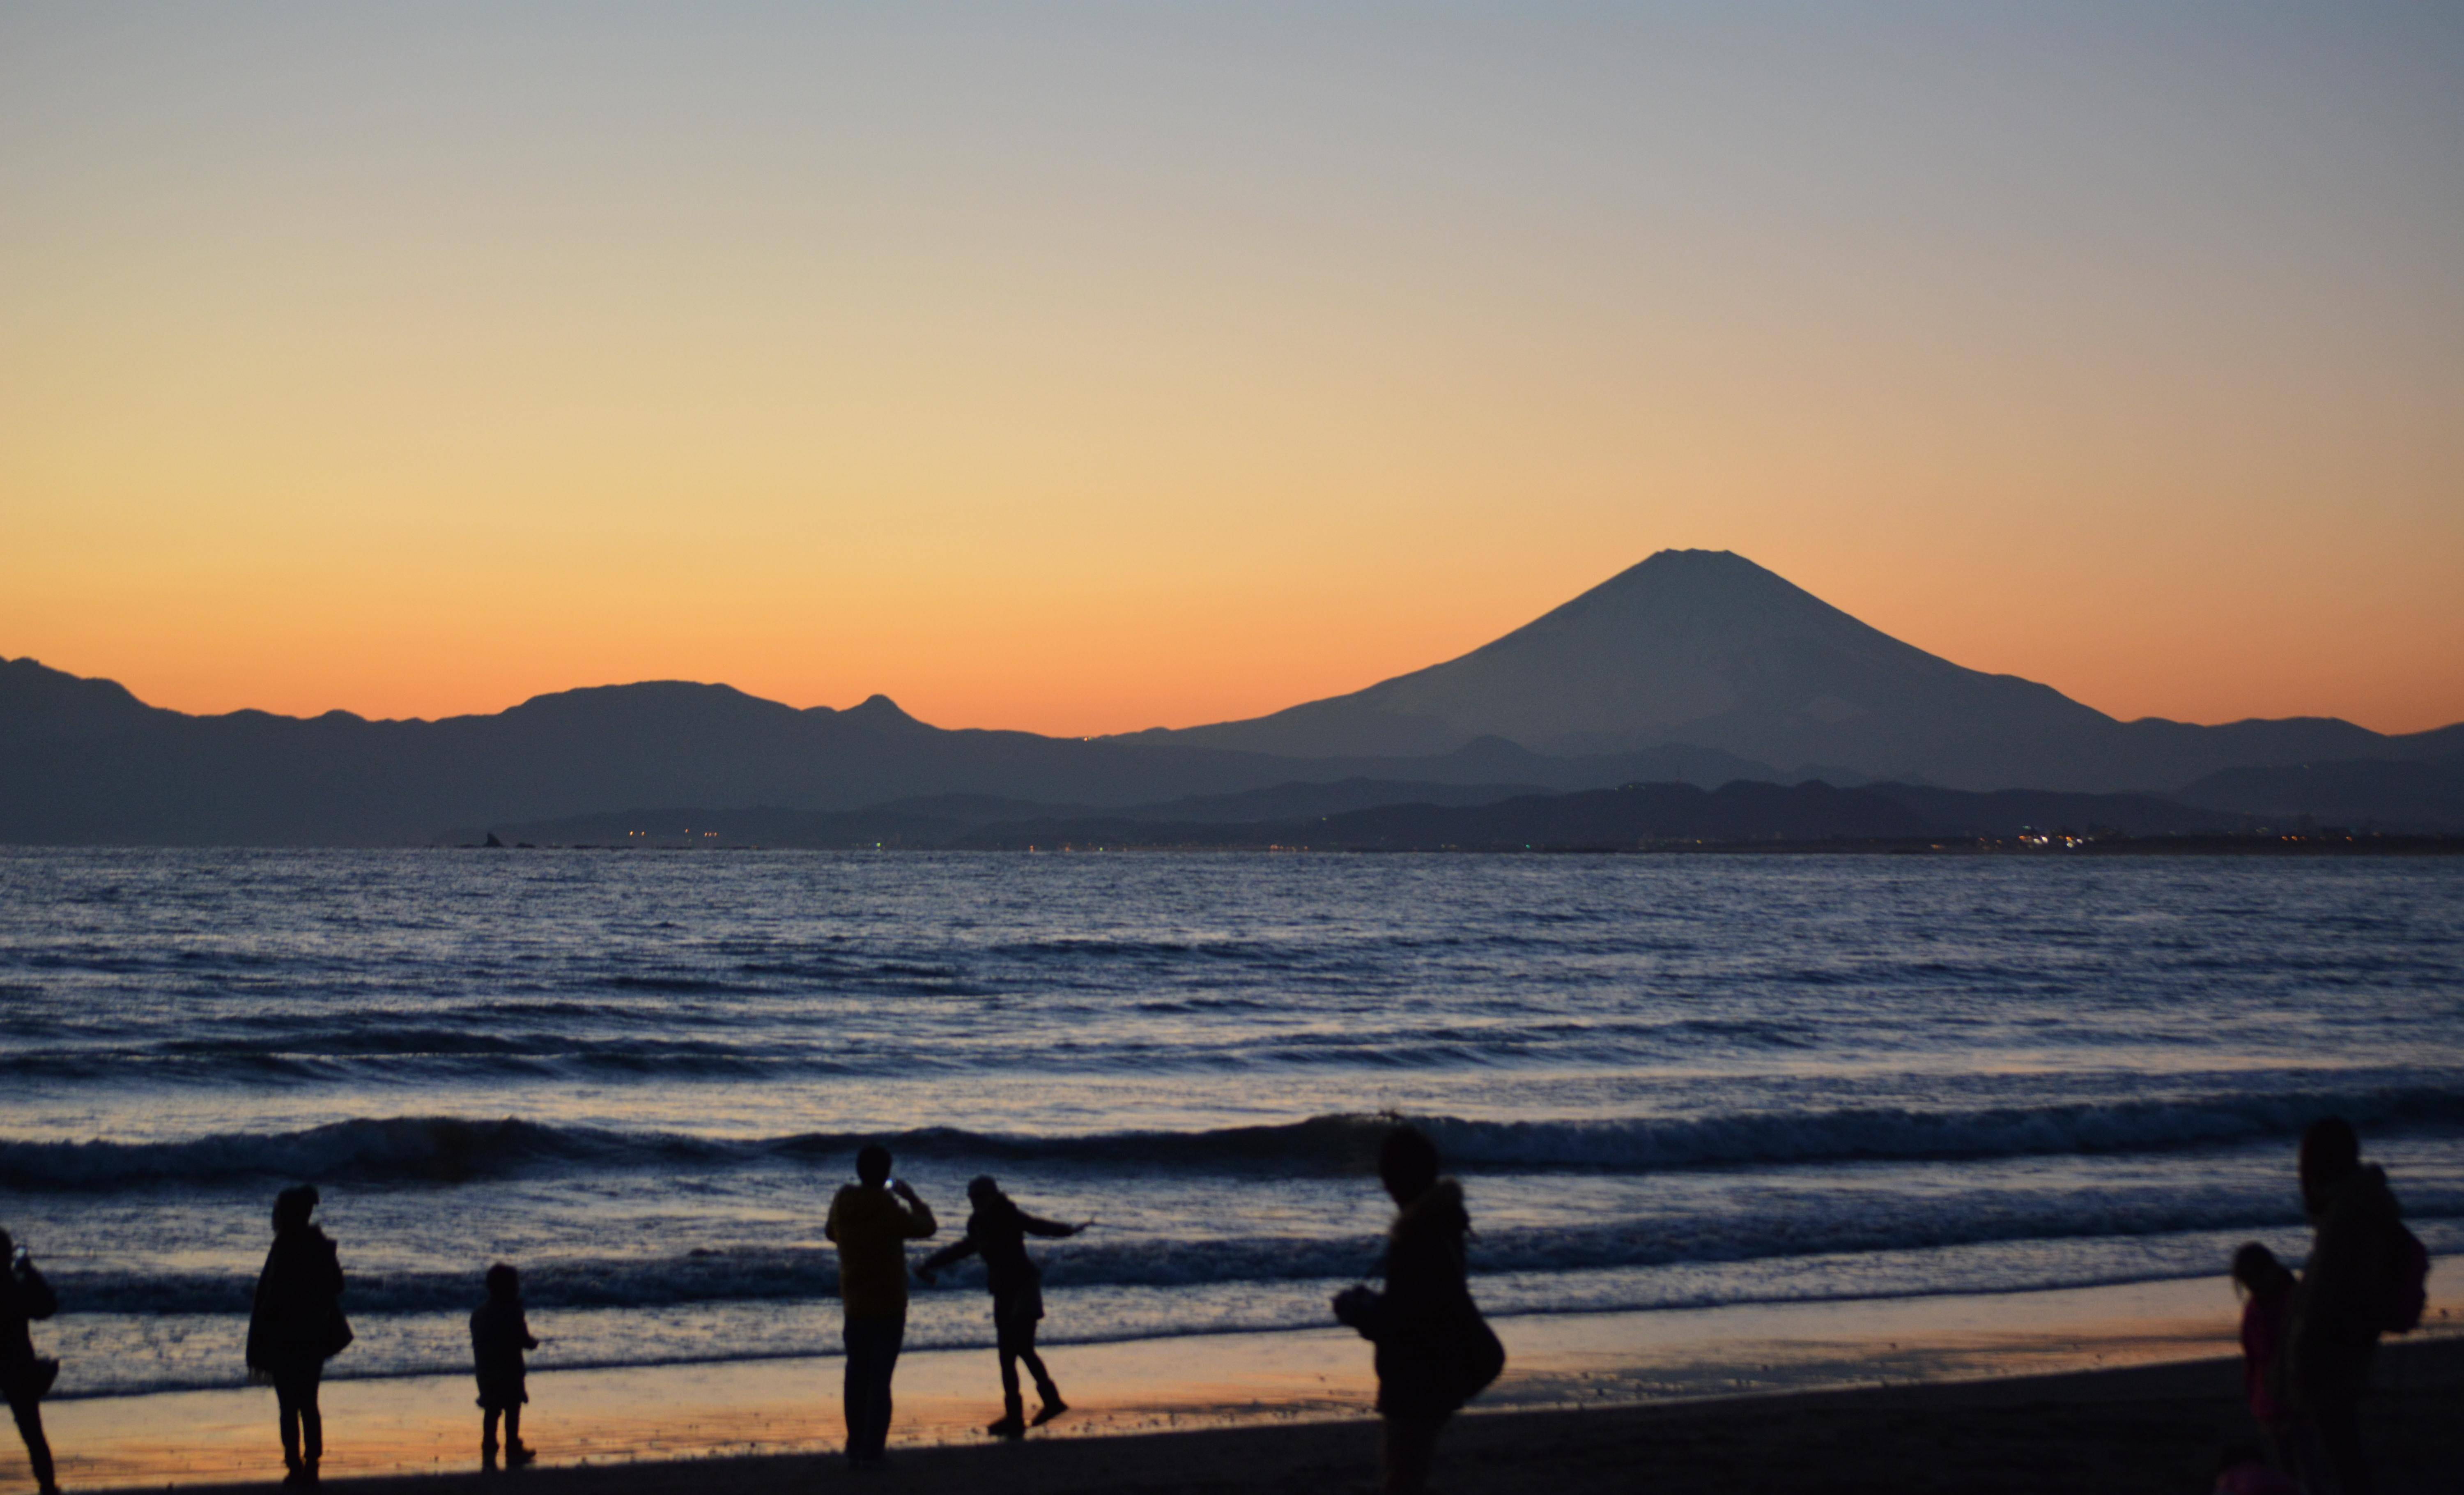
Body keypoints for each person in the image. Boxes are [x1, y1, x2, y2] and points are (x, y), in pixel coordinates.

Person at [1332, 1126, 1504, 1495]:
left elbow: (1407, 1321)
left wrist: (1359, 1313)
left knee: (1404, 1477)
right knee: (1410, 1474)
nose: (1384, 1184)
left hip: (1417, 1377)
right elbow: (1424, 1306)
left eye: (1388, 1174)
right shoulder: (1442, 1226)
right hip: (1431, 1370)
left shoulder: (1418, 1237)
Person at [2285, 1117, 2407, 1495]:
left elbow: (2322, 1296)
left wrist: (2297, 1363)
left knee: (2337, 1454)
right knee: (2342, 1449)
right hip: (2353, 1344)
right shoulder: (2364, 1207)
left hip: (2332, 1351)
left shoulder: (2344, 1218)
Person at [916, 1176, 1088, 1438]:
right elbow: (963, 1249)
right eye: (973, 1198)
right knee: (1007, 1356)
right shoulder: (977, 1225)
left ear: (994, 1196)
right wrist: (931, 1262)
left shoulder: (1009, 1215)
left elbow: (1038, 1226)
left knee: (1022, 1348)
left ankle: (1052, 1401)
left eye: (981, 1197)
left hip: (1024, 1287)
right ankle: (1015, 1417)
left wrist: (1069, 1230)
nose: (977, 1202)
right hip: (1002, 1292)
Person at [824, 1144, 935, 1468]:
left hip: (855, 1301)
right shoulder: (888, 1208)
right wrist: (912, 1198)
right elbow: (927, 1227)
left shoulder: (843, 1200)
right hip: (888, 1302)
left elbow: (831, 1232)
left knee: (856, 1375)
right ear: (887, 1174)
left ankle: (855, 1443)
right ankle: (874, 1449)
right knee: (880, 1380)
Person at [246, 1185, 348, 1487]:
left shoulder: (284, 1247)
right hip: (313, 1333)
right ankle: (312, 1458)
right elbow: (338, 1286)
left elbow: (271, 1297)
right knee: (309, 1400)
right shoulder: (319, 1244)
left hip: (285, 1335)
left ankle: (294, 1461)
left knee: (289, 1405)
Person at [2231, 1242, 2305, 1482]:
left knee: (2303, 1464)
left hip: (2297, 1396)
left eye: (2254, 1280)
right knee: (2286, 1466)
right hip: (2269, 1398)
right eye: (2248, 1284)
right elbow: (2252, 1359)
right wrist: (2254, 1398)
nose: (2252, 1288)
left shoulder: (2292, 1302)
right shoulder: (2255, 1309)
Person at [0, 1228, 60, 1495]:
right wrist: (31, 1272)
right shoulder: (14, 1287)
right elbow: (47, 1306)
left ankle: (48, 1486)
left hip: (15, 1366)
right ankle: (47, 1487)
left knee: (33, 1433)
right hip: (17, 1366)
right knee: (33, 1434)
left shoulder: (13, 1286)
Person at [471, 1263, 540, 1470]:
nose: (518, 1288)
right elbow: (522, 1339)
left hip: (486, 1371)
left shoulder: (479, 1314)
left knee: (492, 1410)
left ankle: (489, 1444)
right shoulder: (513, 1311)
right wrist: (533, 1343)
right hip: (509, 1370)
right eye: (515, 1285)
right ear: (508, 1288)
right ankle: (512, 1445)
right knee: (512, 1408)